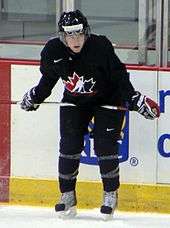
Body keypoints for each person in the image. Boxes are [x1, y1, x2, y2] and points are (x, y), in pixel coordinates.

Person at [20, 10, 160, 219]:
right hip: (75, 100)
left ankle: (110, 194)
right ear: (62, 36)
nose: (75, 40)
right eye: (69, 35)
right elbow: (48, 80)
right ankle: (67, 195)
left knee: (105, 144)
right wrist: (35, 97)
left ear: (86, 32)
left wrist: (134, 99)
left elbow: (120, 77)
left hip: (108, 99)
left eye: (78, 34)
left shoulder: (100, 47)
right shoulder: (53, 51)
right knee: (69, 144)